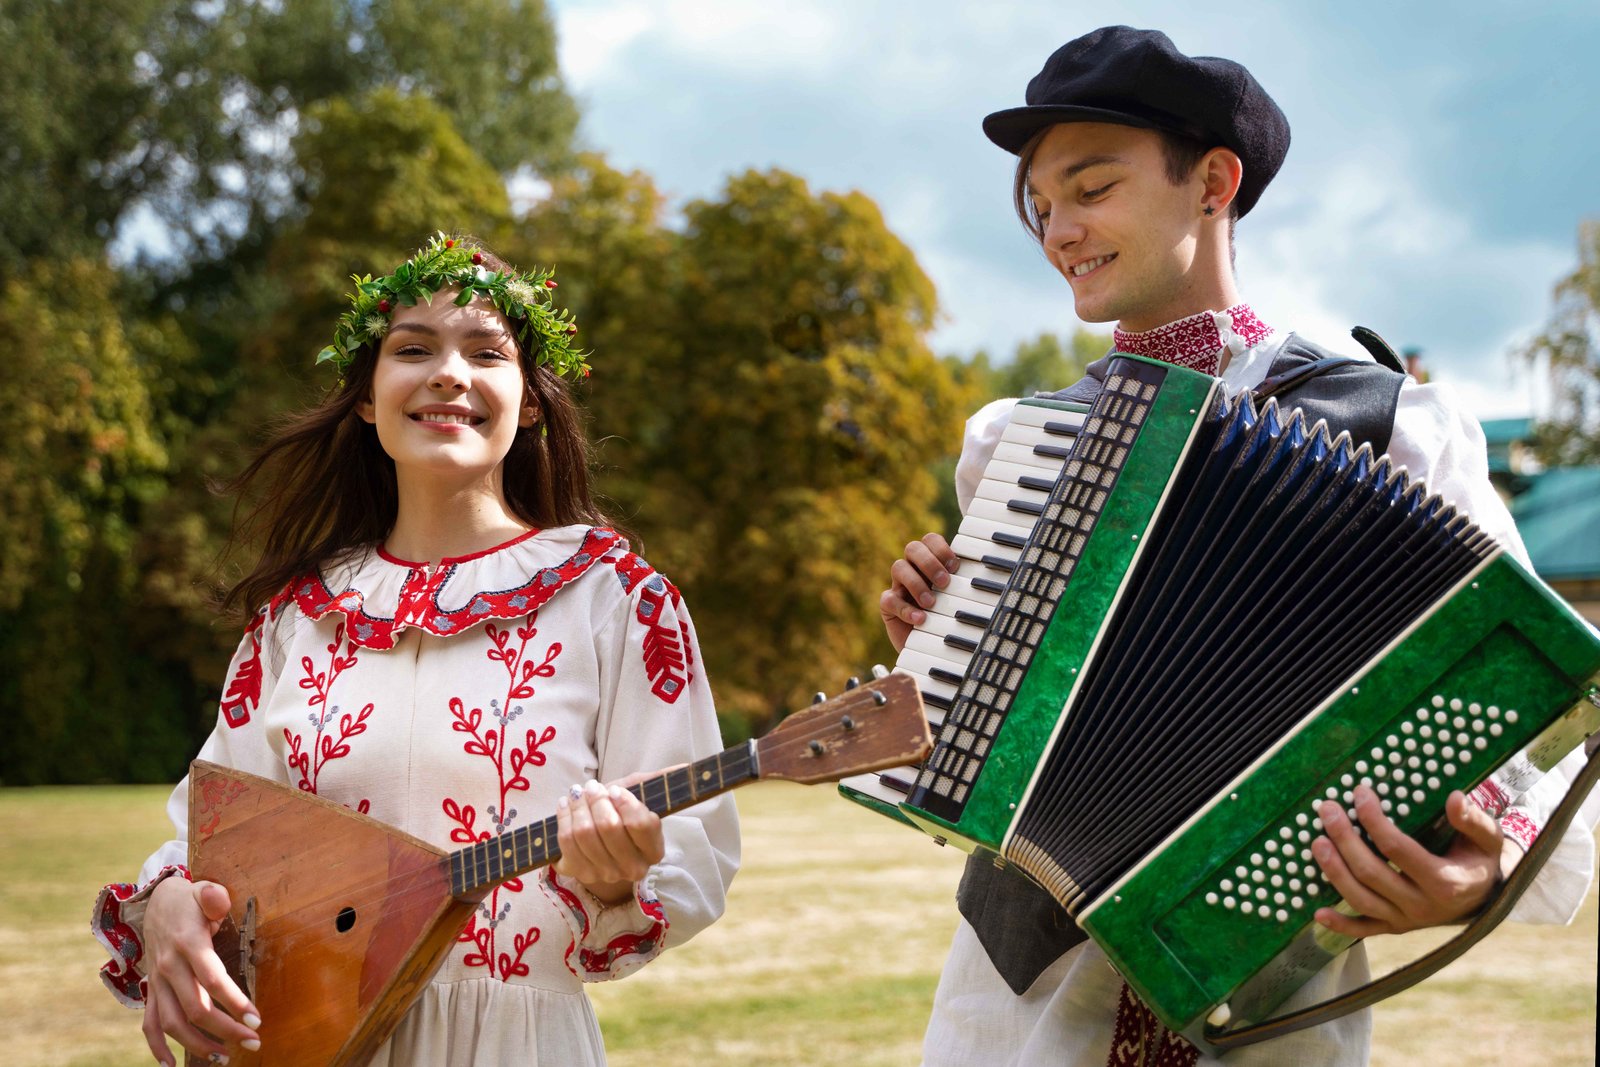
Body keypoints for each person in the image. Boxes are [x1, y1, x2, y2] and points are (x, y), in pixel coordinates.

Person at [877, 26, 1597, 1067]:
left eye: (1090, 188)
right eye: (1039, 205)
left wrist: (1476, 875)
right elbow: (981, 757)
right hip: (1020, 1000)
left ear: (1213, 180)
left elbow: (1536, 683)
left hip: (1270, 996)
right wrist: (940, 647)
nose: (1057, 229)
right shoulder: (1013, 443)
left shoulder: (1396, 426)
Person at [91, 234, 740, 1067]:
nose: (448, 374)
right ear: (367, 395)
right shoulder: (298, 617)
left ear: (531, 401)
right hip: (306, 1041)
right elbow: (214, 829)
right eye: (413, 348)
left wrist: (613, 881)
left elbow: (693, 853)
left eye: (486, 352)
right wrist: (176, 898)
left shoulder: (617, 600)